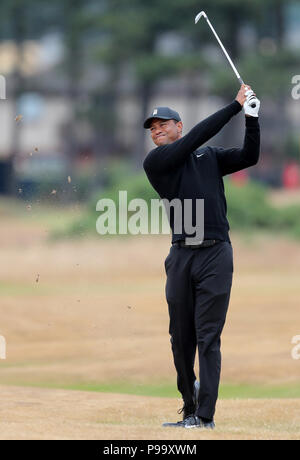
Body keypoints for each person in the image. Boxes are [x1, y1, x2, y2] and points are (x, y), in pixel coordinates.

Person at [143, 84, 260, 429]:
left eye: (163, 123)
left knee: (208, 337)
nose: (157, 130)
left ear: (178, 126)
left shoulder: (208, 157)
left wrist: (252, 119)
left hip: (216, 255)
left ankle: (204, 416)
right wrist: (234, 106)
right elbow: (196, 137)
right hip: (181, 257)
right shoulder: (157, 162)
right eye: (152, 128)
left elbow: (248, 157)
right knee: (181, 340)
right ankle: (189, 404)